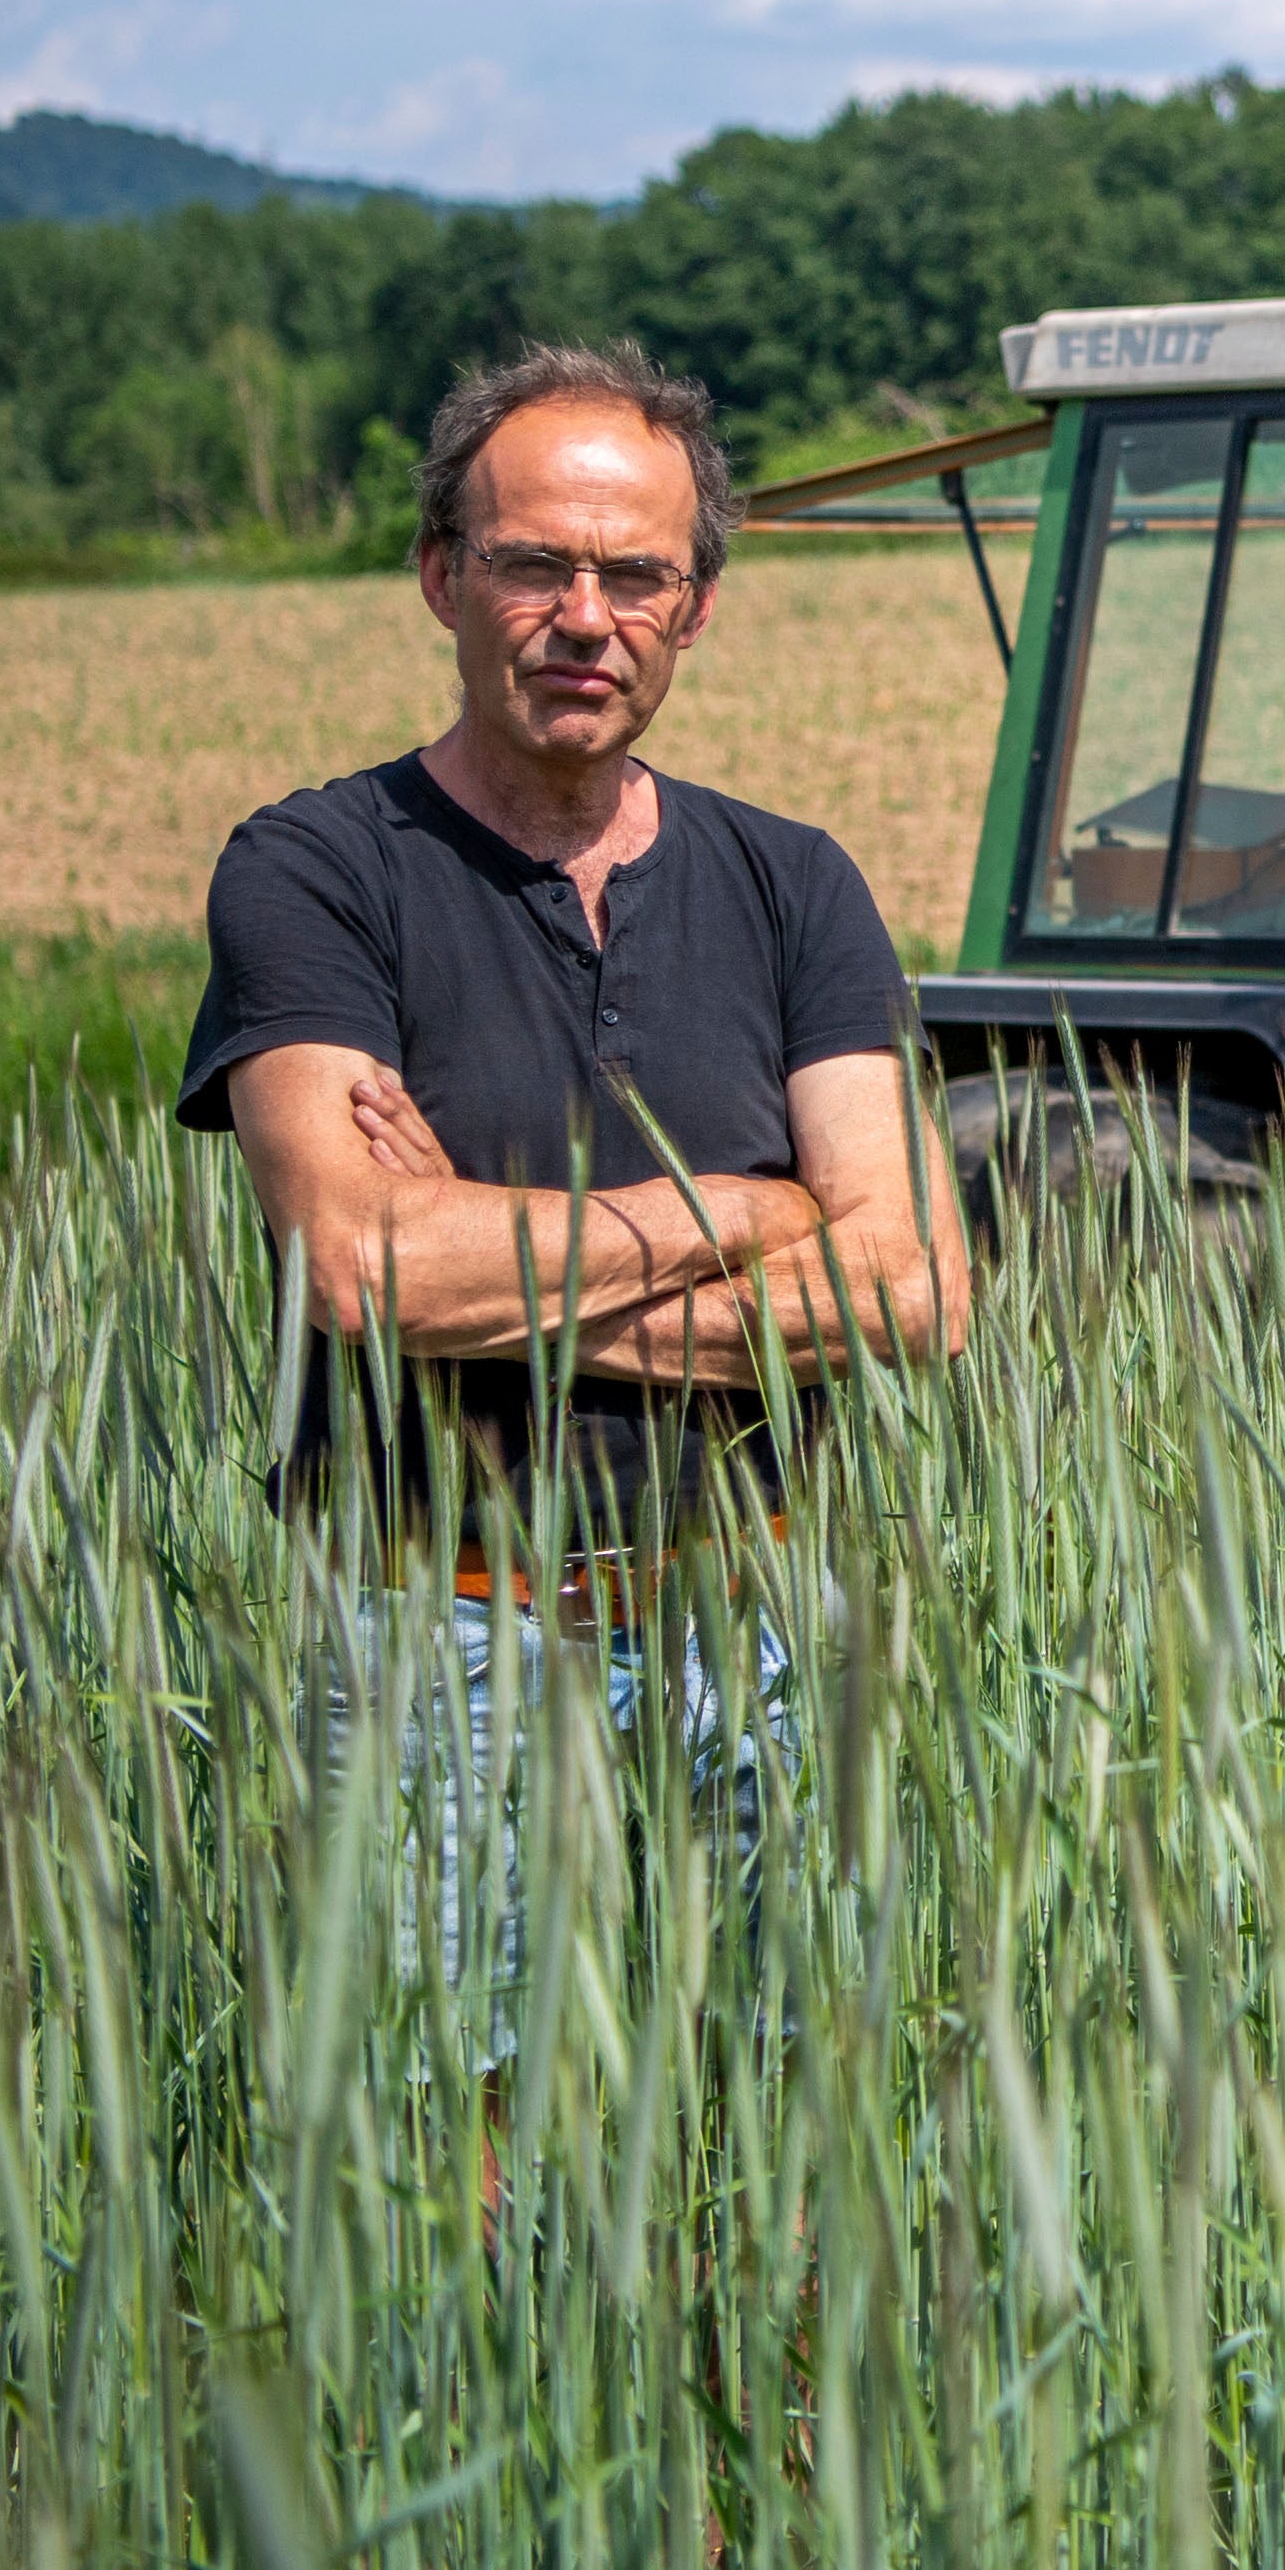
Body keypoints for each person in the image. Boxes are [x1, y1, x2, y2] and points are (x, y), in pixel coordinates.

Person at [179, 343, 964, 1967]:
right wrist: (748, 1210)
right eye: (533, 563)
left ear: (697, 606)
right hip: (436, 1626)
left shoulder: (794, 884)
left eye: (636, 574)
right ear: (440, 578)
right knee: (446, 2142)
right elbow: (361, 1263)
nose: (585, 617)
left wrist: (491, 1260)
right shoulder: (317, 873)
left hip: (752, 1616)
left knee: (781, 2115)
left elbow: (913, 1291)